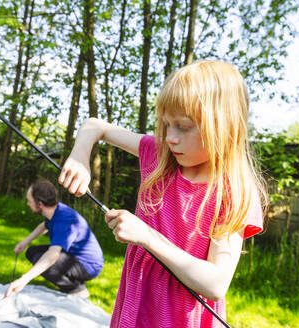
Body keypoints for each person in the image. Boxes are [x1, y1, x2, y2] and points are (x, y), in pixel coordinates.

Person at [58, 61, 268, 327]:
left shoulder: (233, 191)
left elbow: (215, 283)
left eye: (184, 126)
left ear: (223, 127)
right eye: (166, 124)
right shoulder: (159, 156)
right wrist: (79, 157)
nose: (170, 137)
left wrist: (146, 236)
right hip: (134, 313)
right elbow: (94, 126)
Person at [4, 179, 104, 299]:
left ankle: (77, 290)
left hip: (89, 265)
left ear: (40, 204)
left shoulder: (65, 221)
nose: (28, 204)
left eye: (29, 201)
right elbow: (44, 226)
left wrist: (24, 279)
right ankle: (74, 282)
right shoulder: (56, 210)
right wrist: (25, 242)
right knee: (32, 252)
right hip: (73, 256)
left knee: (41, 259)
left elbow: (53, 255)